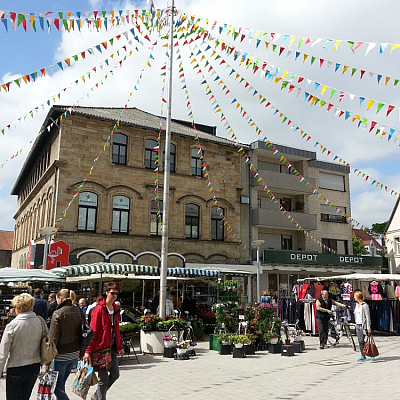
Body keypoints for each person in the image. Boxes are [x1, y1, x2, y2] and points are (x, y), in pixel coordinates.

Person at [85, 282, 124, 400]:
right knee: (103, 379)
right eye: (112, 293)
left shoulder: (116, 309)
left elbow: (116, 329)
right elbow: (93, 331)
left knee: (115, 374)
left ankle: (97, 396)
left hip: (111, 347)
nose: (114, 296)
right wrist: (87, 350)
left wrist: (120, 346)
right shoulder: (99, 309)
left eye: (116, 294)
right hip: (100, 348)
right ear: (107, 292)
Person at [0, 293, 43, 400]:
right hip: (34, 365)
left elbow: (3, 352)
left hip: (16, 367)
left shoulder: (13, 325)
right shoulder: (40, 321)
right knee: (25, 396)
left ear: (18, 307)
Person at [49, 289, 84, 400]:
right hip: (74, 353)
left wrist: (48, 358)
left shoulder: (58, 313)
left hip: (61, 354)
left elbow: (53, 337)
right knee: (61, 385)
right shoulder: (78, 310)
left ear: (60, 298)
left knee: (56, 388)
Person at [353, 290, 373, 361]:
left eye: (355, 296)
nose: (354, 297)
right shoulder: (356, 305)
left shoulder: (364, 305)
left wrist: (368, 327)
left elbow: (368, 317)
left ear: (358, 297)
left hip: (363, 325)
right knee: (360, 341)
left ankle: (371, 353)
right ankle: (363, 355)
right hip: (357, 324)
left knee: (364, 341)